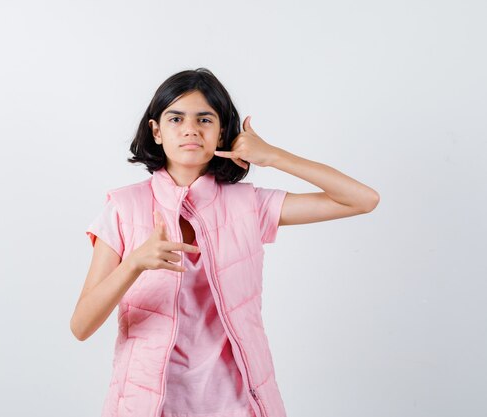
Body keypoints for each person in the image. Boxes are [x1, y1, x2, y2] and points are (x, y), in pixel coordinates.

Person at [70, 68, 380, 417]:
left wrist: (273, 156)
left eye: (205, 119)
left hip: (239, 404)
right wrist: (135, 263)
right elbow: (81, 325)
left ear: (221, 133)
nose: (190, 129)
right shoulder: (124, 208)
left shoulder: (249, 204)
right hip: (149, 407)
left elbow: (362, 200)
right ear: (156, 131)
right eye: (176, 118)